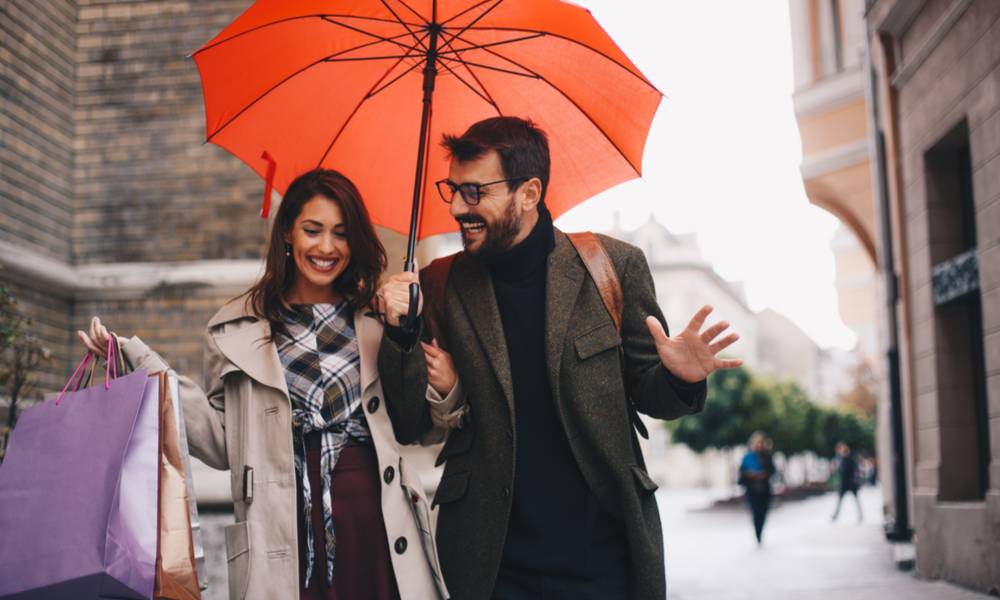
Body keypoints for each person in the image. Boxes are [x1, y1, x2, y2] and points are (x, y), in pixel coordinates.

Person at [374, 117, 743, 599]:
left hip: (605, 559)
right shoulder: (440, 284)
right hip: (491, 565)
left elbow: (653, 394)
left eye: (474, 192)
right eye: (452, 189)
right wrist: (400, 334)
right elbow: (408, 422)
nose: (457, 207)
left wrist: (680, 379)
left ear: (529, 193)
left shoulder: (612, 265)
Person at [77, 169, 463, 600]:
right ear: (287, 234)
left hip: (372, 518)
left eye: (340, 233)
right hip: (280, 528)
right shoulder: (237, 328)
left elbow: (419, 427)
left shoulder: (378, 319)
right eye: (312, 230)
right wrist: (139, 361)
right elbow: (222, 443)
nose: (326, 247)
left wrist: (411, 343)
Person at [738, 431, 775, 545]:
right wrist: (751, 474)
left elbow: (772, 471)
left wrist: (764, 473)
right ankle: (757, 534)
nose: (759, 445)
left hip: (764, 489)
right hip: (752, 489)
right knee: (755, 512)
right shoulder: (747, 457)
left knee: (763, 512)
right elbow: (741, 472)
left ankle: (760, 531)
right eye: (757, 443)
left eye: (761, 443)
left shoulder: (766, 456)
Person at [831, 441, 863, 523]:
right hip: (845, 484)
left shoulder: (849, 458)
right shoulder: (842, 459)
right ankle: (835, 515)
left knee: (854, 500)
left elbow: (852, 471)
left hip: (849, 483)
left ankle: (860, 515)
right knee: (841, 501)